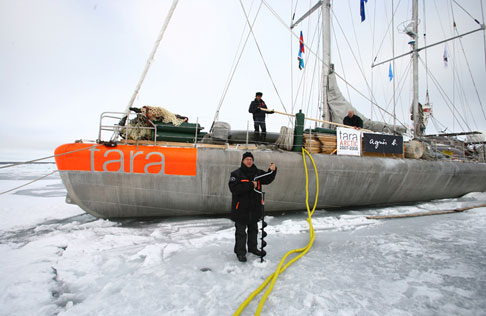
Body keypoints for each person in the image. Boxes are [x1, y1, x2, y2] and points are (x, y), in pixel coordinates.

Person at [228, 152, 277, 262]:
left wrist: (272, 171)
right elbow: (234, 189)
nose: (249, 161)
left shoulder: (258, 173)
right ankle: (240, 253)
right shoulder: (236, 174)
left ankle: (252, 248)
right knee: (241, 232)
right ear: (243, 161)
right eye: (247, 159)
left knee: (253, 230)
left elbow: (267, 179)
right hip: (240, 209)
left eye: (251, 159)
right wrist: (250, 185)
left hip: (254, 208)